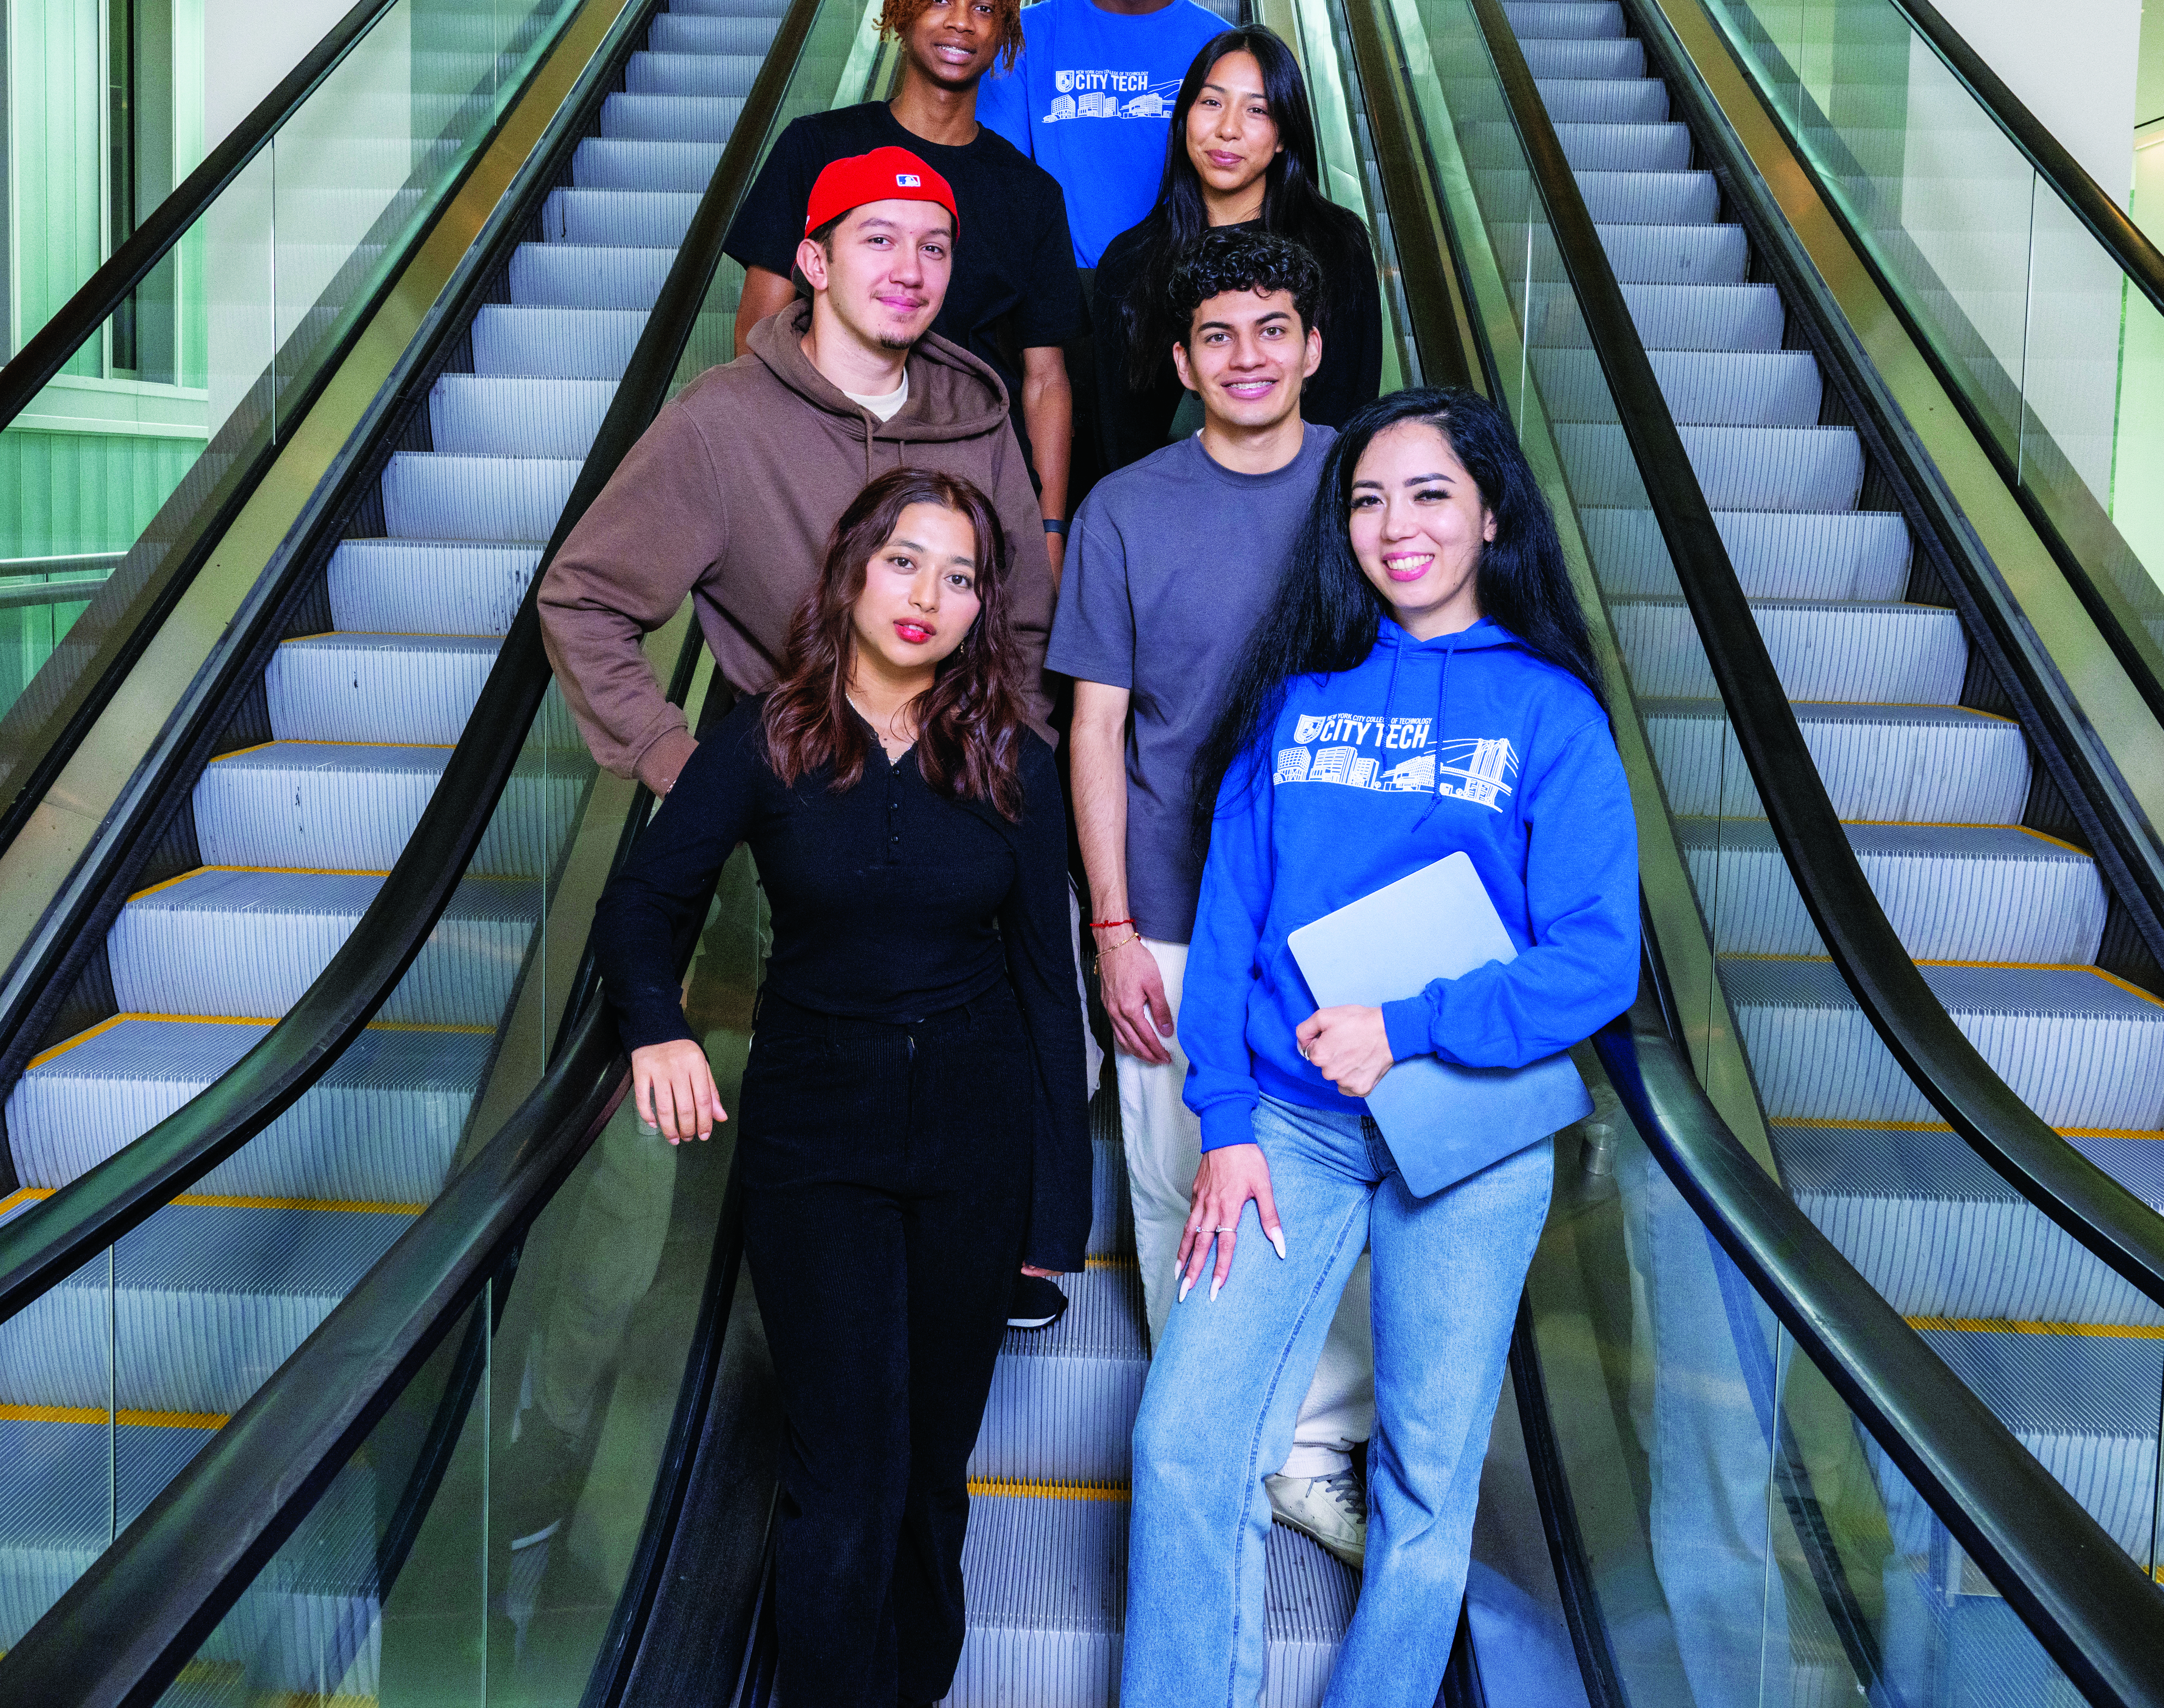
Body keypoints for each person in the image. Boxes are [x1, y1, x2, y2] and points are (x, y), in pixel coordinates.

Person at [1123, 387, 1640, 1707]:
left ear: (1486, 511)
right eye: (1364, 496)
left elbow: (1594, 961)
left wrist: (1407, 1024)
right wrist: (1224, 1123)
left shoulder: (1552, 715)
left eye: (1425, 493)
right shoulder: (1291, 702)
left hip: (1465, 1135)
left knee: (1422, 1476)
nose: (1392, 524)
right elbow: (1228, 924)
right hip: (1287, 1126)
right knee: (1185, 1440)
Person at [595, 466, 1087, 1708]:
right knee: (845, 1465)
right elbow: (643, 903)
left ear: (985, 605)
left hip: (971, 1146)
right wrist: (656, 1028)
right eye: (905, 560)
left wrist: (1053, 1214)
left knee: (929, 1469)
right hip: (816, 1144)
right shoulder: (764, 739)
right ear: (853, 570)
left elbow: (1045, 982)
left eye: (961, 574)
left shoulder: (1012, 759)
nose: (929, 594)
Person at [1048, 226, 1379, 1569]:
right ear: (1181, 360)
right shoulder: (1126, 506)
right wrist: (1111, 925)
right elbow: (1094, 730)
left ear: (1310, 345)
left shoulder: (1372, 489)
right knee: (1180, 1182)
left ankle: (1313, 1451)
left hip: (1343, 917)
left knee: (1334, 1184)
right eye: (1216, 335)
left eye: (1271, 330)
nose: (1246, 356)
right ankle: (1209, 1441)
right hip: (1176, 909)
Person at [540, 148, 1052, 797]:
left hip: (958, 803)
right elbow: (584, 599)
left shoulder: (978, 419)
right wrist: (685, 769)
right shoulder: (722, 418)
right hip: (797, 807)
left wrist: (1010, 762)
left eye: (934, 249)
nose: (909, 272)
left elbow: (1024, 620)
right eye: (878, 239)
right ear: (815, 262)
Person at [728, 0, 1083, 569]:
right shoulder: (815, 148)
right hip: (832, 457)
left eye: (984, 8)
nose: (961, 23)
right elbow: (759, 323)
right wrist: (781, 458)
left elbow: (1046, 378)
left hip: (971, 471)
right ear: (900, 8)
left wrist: (1050, 528)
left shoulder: (1030, 193)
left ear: (1005, 31)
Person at [1080, 26, 1384, 494]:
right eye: (1211, 102)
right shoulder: (1131, 261)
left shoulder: (1336, 245)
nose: (1228, 128)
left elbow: (1350, 410)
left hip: (1308, 513)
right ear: (1184, 119)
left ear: (1284, 135)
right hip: (1169, 522)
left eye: (1257, 109)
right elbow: (1118, 440)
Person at [979, 0, 1233, 270]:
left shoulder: (1225, 50)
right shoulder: (1022, 37)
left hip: (1187, 295)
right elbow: (999, 186)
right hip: (1057, 298)